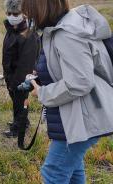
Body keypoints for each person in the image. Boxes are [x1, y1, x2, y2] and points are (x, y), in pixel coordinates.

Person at [22, 0, 113, 183]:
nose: (25, 17)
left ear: (40, 8)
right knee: (73, 171)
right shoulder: (63, 28)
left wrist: (42, 92)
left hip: (82, 117)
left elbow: (80, 81)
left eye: (28, 12)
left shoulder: (66, 34)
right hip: (76, 114)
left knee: (54, 172)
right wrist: (43, 74)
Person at [1, 0, 39, 138]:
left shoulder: (28, 34)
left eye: (15, 13)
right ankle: (23, 122)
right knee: (16, 100)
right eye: (9, 13)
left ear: (24, 14)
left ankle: (18, 128)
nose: (12, 16)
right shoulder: (11, 30)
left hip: (21, 78)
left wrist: (17, 82)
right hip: (10, 75)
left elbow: (27, 63)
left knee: (20, 101)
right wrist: (8, 77)